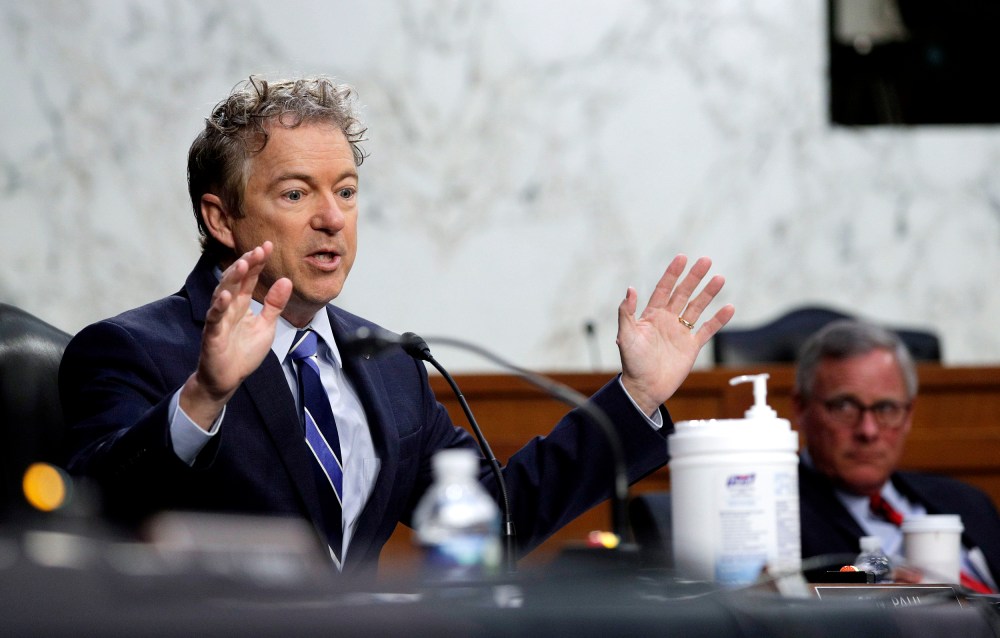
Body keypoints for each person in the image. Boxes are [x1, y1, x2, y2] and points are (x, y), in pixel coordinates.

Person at [59, 76, 735, 576]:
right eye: (295, 193)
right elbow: (94, 516)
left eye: (346, 191)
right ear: (221, 218)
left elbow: (498, 516)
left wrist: (636, 395)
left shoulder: (385, 363)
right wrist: (204, 396)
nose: (332, 218)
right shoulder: (133, 351)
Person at [794, 319, 1000, 590]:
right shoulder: (776, 517)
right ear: (801, 408)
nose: (868, 430)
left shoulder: (968, 502)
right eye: (844, 407)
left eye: (886, 408)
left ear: (908, 415)